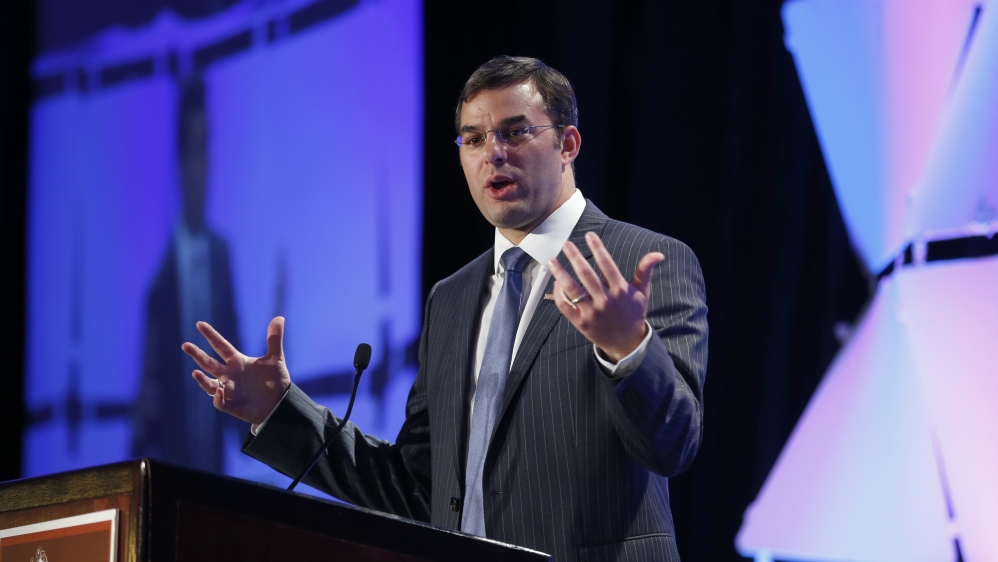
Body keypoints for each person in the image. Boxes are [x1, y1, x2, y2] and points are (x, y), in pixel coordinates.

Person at [181, 56, 707, 561]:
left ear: (568, 144)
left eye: (515, 131)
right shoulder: (452, 298)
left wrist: (626, 347)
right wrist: (279, 411)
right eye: (474, 138)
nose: (492, 153)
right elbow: (416, 488)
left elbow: (674, 445)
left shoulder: (641, 262)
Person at [132, 74, 242, 473]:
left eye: (208, 149)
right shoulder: (159, 280)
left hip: (216, 477)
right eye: (196, 151)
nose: (205, 166)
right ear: (180, 163)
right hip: (170, 473)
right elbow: (147, 401)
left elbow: (238, 363)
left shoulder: (221, 256)